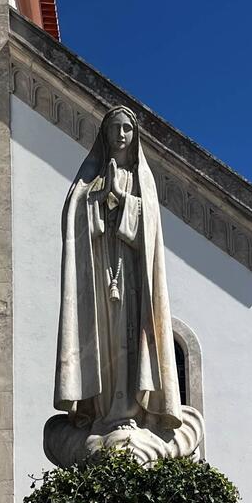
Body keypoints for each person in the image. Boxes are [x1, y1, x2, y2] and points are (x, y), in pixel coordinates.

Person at [54, 106, 182, 437]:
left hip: (132, 278)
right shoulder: (90, 181)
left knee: (130, 338)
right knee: (105, 339)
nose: (121, 134)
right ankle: (102, 410)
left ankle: (129, 412)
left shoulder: (142, 180)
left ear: (134, 135)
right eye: (115, 128)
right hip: (99, 275)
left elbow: (149, 227)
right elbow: (75, 221)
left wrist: (124, 198)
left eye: (127, 128)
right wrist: (97, 199)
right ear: (105, 133)